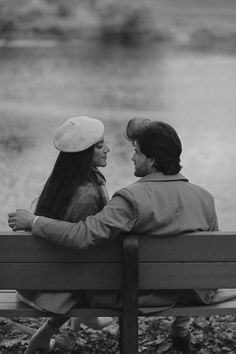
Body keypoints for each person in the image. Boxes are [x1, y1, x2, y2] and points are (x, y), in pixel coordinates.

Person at [9, 117, 236, 354]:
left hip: (140, 295)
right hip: (190, 291)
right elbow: (209, 263)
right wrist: (180, 325)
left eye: (137, 152)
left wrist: (34, 221)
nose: (131, 157)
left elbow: (82, 235)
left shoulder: (131, 199)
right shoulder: (205, 197)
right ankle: (180, 331)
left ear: (152, 159)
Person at [14, 115, 112, 353]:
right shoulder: (87, 194)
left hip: (36, 281)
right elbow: (82, 245)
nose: (107, 149)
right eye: (100, 146)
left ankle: (83, 320)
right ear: (84, 155)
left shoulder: (64, 182)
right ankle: (43, 336)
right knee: (105, 263)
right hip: (58, 287)